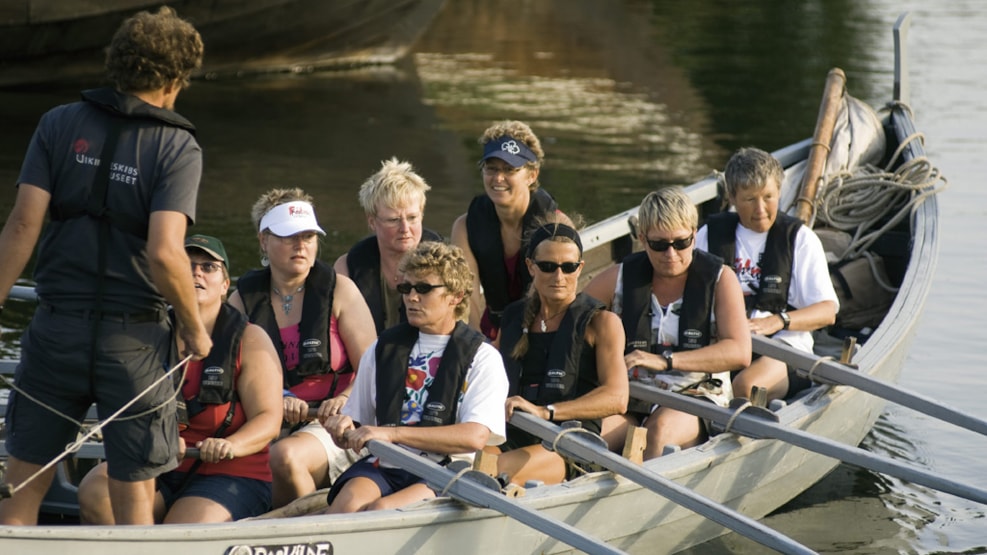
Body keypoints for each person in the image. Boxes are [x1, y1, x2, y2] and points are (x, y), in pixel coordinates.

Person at [0, 7, 211, 526]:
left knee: (19, 492)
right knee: (133, 505)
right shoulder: (178, 147)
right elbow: (165, 252)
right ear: (172, 80)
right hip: (133, 346)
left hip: (54, 331)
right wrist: (194, 328)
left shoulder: (57, 123)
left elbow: (22, 228)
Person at [77, 235, 283, 523]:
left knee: (183, 528)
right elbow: (121, 405)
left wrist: (230, 446)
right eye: (187, 265)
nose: (197, 272)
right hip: (157, 465)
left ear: (225, 285)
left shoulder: (250, 339)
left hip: (229, 472)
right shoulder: (147, 335)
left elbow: (269, 419)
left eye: (209, 267)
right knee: (95, 493)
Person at [321, 241, 508, 513]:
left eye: (423, 289)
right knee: (346, 505)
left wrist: (392, 433)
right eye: (406, 288)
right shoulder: (383, 348)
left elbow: (474, 437)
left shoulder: (483, 358)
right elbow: (361, 421)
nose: (411, 297)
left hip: (444, 470)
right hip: (386, 463)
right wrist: (342, 430)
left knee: (381, 510)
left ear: (455, 295)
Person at [228, 188, 376, 508]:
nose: (301, 245)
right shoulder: (240, 301)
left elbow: (373, 367)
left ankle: (308, 535)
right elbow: (229, 375)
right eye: (289, 236)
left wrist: (342, 400)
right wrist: (277, 398)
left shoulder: (341, 291)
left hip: (340, 423)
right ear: (264, 241)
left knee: (285, 456)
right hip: (270, 418)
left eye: (308, 236)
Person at [583, 187, 751, 460]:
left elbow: (739, 353)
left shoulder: (721, 279)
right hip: (632, 395)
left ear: (694, 235)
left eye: (681, 243)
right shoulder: (619, 278)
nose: (671, 254)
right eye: (659, 245)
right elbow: (570, 319)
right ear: (642, 239)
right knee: (587, 435)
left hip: (696, 394)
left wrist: (665, 361)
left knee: (657, 433)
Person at [697, 147, 838, 403]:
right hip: (724, 342)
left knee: (746, 386)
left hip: (783, 347)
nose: (760, 209)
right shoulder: (708, 235)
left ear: (779, 192)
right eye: (750, 199)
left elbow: (827, 312)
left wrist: (776, 321)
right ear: (731, 197)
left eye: (768, 197)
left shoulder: (801, 239)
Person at [494, 220, 628, 486]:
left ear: (580, 268)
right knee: (460, 459)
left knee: (496, 468)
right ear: (531, 266)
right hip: (513, 433)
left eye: (568, 267)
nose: (559, 277)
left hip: (570, 442)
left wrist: (546, 412)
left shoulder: (602, 323)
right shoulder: (512, 318)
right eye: (547, 267)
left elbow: (617, 398)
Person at [450, 120, 569, 341]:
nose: (498, 178)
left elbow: (554, 301)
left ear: (532, 175)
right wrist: (475, 342)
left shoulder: (556, 226)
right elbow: (467, 298)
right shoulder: (465, 227)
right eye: (491, 168)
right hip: (490, 330)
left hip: (544, 329)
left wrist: (509, 341)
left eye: (509, 169)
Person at [334, 158, 443, 334]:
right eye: (393, 220)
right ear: (372, 222)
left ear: (422, 215)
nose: (405, 229)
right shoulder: (346, 267)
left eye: (412, 218)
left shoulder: (447, 267)